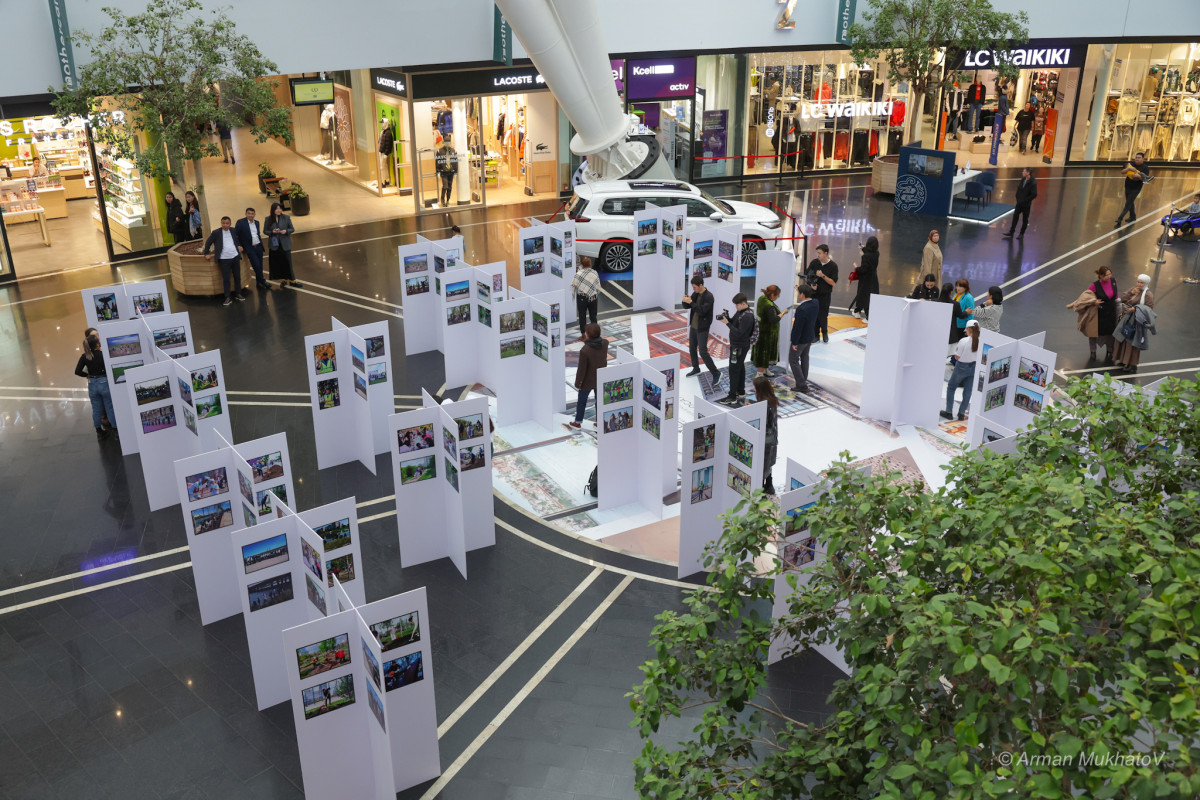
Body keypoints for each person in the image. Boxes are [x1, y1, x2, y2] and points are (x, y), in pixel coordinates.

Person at [75, 329, 118, 440]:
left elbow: (77, 371)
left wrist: (88, 375)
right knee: (109, 407)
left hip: (92, 384)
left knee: (96, 409)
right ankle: (116, 431)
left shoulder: (84, 356)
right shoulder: (103, 355)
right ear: (97, 344)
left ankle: (99, 432)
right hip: (104, 383)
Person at [1113, 274, 1156, 374]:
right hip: (1127, 319)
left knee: (1133, 342)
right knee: (1124, 339)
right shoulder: (1134, 289)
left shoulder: (1148, 295)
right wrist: (1131, 293)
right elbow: (1123, 298)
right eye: (1138, 282)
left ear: (1146, 283)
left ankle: (1132, 365)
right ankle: (1124, 361)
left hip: (1137, 322)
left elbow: (1149, 309)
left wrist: (1135, 309)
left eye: (1142, 283)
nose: (1139, 284)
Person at [718, 293, 755, 405]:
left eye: (737, 305)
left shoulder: (748, 316)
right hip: (737, 345)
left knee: (733, 370)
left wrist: (727, 323)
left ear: (744, 303)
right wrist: (727, 317)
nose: (736, 307)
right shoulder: (741, 312)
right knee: (739, 367)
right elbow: (734, 323)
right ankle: (740, 390)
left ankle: (732, 396)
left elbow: (739, 333)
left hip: (739, 346)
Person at [569, 324, 608, 430]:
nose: (584, 333)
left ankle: (577, 422)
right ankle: (600, 422)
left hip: (587, 381)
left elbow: (581, 370)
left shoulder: (585, 351)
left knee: (582, 402)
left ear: (589, 335)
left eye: (585, 332)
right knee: (599, 401)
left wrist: (578, 383)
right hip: (600, 377)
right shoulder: (605, 343)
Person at [682, 276, 720, 382]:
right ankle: (696, 368)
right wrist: (685, 301)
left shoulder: (709, 297)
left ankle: (716, 373)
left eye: (694, 287)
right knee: (692, 348)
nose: (693, 289)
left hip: (702, 328)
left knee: (703, 352)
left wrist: (691, 302)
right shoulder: (696, 294)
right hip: (694, 326)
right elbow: (688, 306)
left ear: (701, 285)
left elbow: (702, 311)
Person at [941, 319, 980, 421]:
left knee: (951, 387)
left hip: (962, 366)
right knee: (968, 391)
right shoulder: (980, 340)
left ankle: (949, 412)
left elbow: (957, 357)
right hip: (974, 367)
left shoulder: (964, 341)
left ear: (969, 329)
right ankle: (961, 413)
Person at [203, 216, 246, 305]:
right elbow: (208, 242)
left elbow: (236, 240)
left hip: (235, 257)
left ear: (230, 224)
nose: (225, 225)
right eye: (223, 223)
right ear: (221, 223)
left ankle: (238, 293)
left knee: (237, 277)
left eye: (227, 223)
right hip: (224, 259)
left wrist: (239, 246)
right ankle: (227, 297)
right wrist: (206, 253)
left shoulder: (233, 230)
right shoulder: (216, 232)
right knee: (226, 279)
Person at [804, 244, 838, 343]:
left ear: (825, 253)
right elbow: (807, 276)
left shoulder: (833, 266)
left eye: (819, 253)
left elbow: (833, 282)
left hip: (825, 295)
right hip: (814, 294)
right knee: (814, 314)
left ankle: (825, 333)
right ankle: (815, 335)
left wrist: (822, 275)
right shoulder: (814, 263)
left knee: (823, 315)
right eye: (817, 253)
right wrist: (811, 284)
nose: (818, 255)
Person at [788, 283, 818, 394]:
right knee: (805, 358)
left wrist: (794, 342)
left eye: (798, 293)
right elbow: (813, 297)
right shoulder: (815, 303)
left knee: (793, 360)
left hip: (800, 339)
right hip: (809, 336)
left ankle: (801, 385)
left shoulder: (802, 309)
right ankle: (803, 380)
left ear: (802, 294)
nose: (797, 295)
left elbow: (797, 327)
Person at [753, 375, 779, 495]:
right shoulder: (772, 400)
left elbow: (763, 424)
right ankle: (769, 486)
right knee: (768, 464)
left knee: (762, 466)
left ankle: (761, 491)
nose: (754, 389)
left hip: (765, 441)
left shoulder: (764, 404)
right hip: (772, 439)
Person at [266, 202, 301, 288]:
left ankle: (292, 280)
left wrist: (286, 231)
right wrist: (272, 232)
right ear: (273, 210)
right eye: (277, 209)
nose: (279, 210)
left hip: (285, 244)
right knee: (280, 263)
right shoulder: (268, 219)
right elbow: (265, 231)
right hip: (275, 245)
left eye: (280, 208)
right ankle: (284, 280)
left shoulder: (286, 217)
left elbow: (292, 229)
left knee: (288, 262)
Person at [751, 285, 783, 375]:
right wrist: (783, 313)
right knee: (764, 353)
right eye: (777, 295)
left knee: (764, 353)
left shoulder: (762, 298)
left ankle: (764, 370)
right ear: (773, 295)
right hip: (767, 334)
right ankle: (760, 374)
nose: (778, 297)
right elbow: (774, 319)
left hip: (762, 331)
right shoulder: (769, 305)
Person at [235, 207, 268, 290]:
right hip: (250, 248)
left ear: (254, 215)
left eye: (252, 214)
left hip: (258, 247)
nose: (250, 215)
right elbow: (235, 235)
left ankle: (259, 282)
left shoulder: (257, 223)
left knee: (260, 265)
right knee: (256, 265)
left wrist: (261, 245)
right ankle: (263, 281)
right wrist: (239, 245)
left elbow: (257, 234)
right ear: (246, 214)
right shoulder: (240, 222)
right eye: (249, 213)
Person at [1091, 266, 1119, 363]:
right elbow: (1086, 297)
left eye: (1110, 274)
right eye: (1107, 275)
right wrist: (1094, 302)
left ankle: (1110, 350)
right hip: (1099, 312)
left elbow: (1116, 296)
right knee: (1094, 332)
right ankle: (1093, 351)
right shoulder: (1094, 285)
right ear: (1101, 276)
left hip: (1111, 311)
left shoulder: (1113, 281)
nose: (1109, 276)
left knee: (1111, 332)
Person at [1114, 153, 1151, 227]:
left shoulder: (1145, 168)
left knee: (1128, 204)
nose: (1137, 159)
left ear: (1143, 159)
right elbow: (1122, 172)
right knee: (1130, 202)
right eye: (1136, 157)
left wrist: (1138, 176)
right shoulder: (1131, 164)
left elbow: (1145, 179)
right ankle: (1133, 217)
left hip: (1136, 188)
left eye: (1139, 157)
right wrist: (1129, 169)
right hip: (1127, 186)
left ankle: (1120, 218)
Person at [850, 236, 880, 320]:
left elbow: (864, 269)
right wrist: (863, 248)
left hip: (865, 280)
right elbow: (869, 254)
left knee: (864, 296)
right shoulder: (877, 254)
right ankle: (857, 311)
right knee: (867, 296)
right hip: (873, 278)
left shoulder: (865, 257)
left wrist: (856, 268)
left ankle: (867, 317)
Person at [1003, 168, 1038, 239]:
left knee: (1025, 220)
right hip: (1019, 203)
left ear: (1028, 173)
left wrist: (1025, 200)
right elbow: (1019, 189)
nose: (1022, 172)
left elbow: (1034, 194)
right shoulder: (1023, 179)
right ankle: (1011, 231)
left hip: (1026, 205)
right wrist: (1017, 197)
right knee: (1015, 216)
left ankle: (1021, 233)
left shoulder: (1033, 182)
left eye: (1024, 171)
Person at [570, 256, 600, 336]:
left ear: (581, 264)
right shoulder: (594, 272)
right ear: (590, 263)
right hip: (593, 298)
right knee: (593, 316)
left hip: (582, 298)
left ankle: (583, 334)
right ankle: (595, 334)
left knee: (582, 316)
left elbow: (573, 285)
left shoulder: (578, 274)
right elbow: (598, 287)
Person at [949, 279, 974, 344]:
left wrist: (968, 327)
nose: (958, 288)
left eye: (960, 286)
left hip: (962, 325)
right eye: (957, 286)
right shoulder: (956, 294)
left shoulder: (969, 298)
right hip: (954, 323)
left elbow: (971, 313)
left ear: (965, 288)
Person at [436, 139, 456, 206]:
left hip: (451, 171)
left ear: (450, 142)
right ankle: (442, 199)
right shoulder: (440, 151)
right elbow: (437, 161)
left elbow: (455, 161)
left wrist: (455, 171)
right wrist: (438, 171)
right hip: (443, 172)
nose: (447, 143)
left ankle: (448, 200)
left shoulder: (453, 150)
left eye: (449, 142)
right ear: (444, 142)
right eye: (446, 142)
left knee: (449, 187)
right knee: (445, 186)